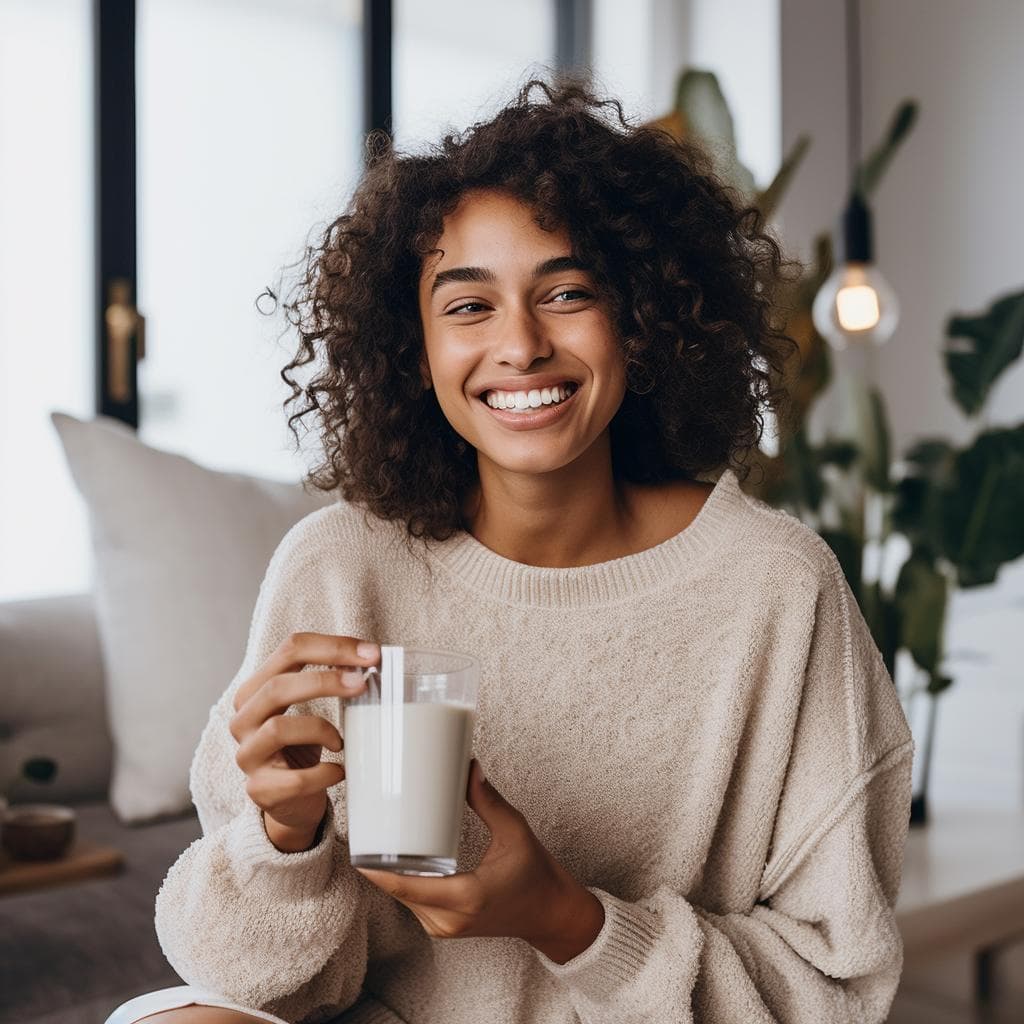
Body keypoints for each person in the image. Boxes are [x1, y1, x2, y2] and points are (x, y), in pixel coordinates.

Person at [106, 75, 914, 1024]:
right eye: (468, 306)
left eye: (567, 292)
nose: (520, 345)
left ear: (643, 319)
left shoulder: (775, 587)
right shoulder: (339, 567)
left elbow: (838, 990)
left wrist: (570, 922)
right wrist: (287, 835)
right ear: (414, 348)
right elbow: (257, 986)